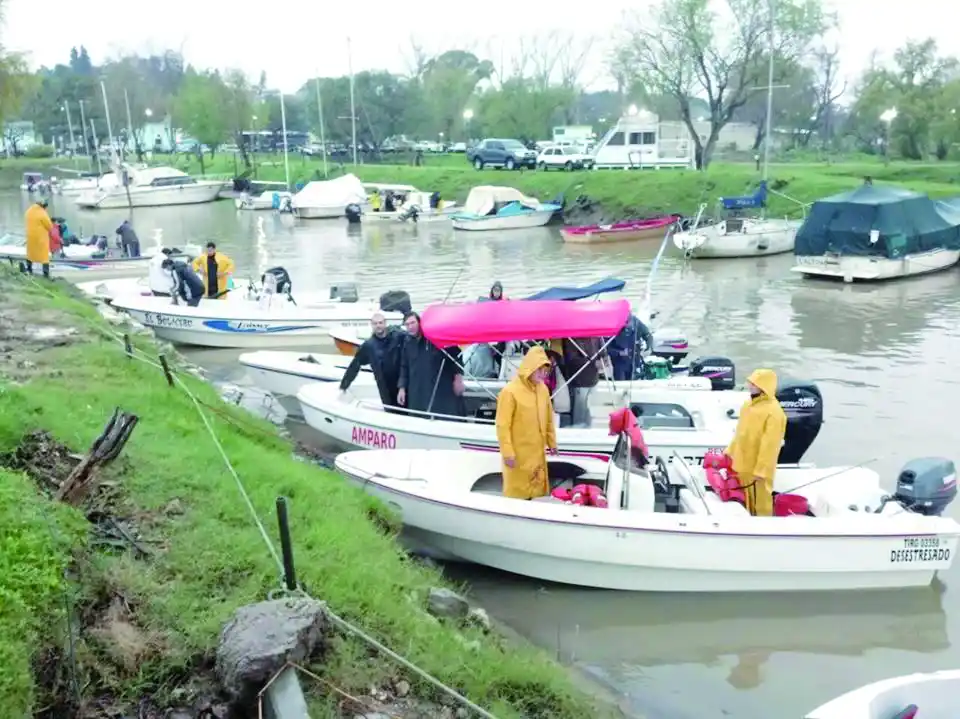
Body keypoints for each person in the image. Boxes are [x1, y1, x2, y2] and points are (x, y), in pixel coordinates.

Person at [495, 345, 559, 500]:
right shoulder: (509, 392)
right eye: (539, 370)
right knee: (517, 493)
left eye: (545, 370)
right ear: (529, 367)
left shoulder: (543, 389)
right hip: (518, 454)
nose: (543, 374)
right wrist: (507, 452)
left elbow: (549, 418)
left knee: (537, 492)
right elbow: (502, 425)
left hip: (537, 453)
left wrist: (552, 442)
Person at [723, 368, 787, 517]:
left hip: (758, 469)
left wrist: (762, 470)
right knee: (742, 496)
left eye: (754, 383)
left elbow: (770, 445)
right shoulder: (747, 406)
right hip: (741, 463)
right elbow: (739, 433)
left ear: (764, 386)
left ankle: (764, 526)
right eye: (750, 382)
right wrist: (729, 451)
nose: (750, 385)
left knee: (761, 500)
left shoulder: (775, 413)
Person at [397, 311, 465, 417]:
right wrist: (402, 388)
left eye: (413, 323)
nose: (410, 327)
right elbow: (404, 366)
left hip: (439, 388)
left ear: (419, 323)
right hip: (417, 390)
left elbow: (456, 356)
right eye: (407, 324)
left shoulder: (435, 337)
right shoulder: (408, 343)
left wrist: (458, 377)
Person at [340, 312, 405, 409]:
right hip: (384, 387)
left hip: (400, 384)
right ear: (371, 325)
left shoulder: (397, 336)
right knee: (390, 411)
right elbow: (355, 364)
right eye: (375, 323)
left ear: (385, 323)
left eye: (380, 323)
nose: (378, 326)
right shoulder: (369, 345)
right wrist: (344, 384)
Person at [561, 336, 602, 427]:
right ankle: (576, 434)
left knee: (590, 412)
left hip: (594, 380)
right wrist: (594, 363)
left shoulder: (596, 335)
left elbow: (601, 351)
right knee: (579, 416)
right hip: (579, 381)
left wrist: (605, 359)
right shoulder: (571, 336)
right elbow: (571, 359)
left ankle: (587, 433)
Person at [609, 314, 655, 381]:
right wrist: (619, 353)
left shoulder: (636, 321)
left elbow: (648, 335)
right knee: (621, 384)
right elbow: (607, 347)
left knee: (633, 384)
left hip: (634, 361)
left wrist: (648, 348)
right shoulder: (612, 323)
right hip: (619, 362)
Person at [23, 198, 54, 278]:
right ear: (44, 206)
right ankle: (46, 274)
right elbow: (49, 226)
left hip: (30, 236)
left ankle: (29, 270)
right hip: (41, 238)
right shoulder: (42, 213)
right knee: (44, 257)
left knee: (30, 254)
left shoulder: (29, 211)